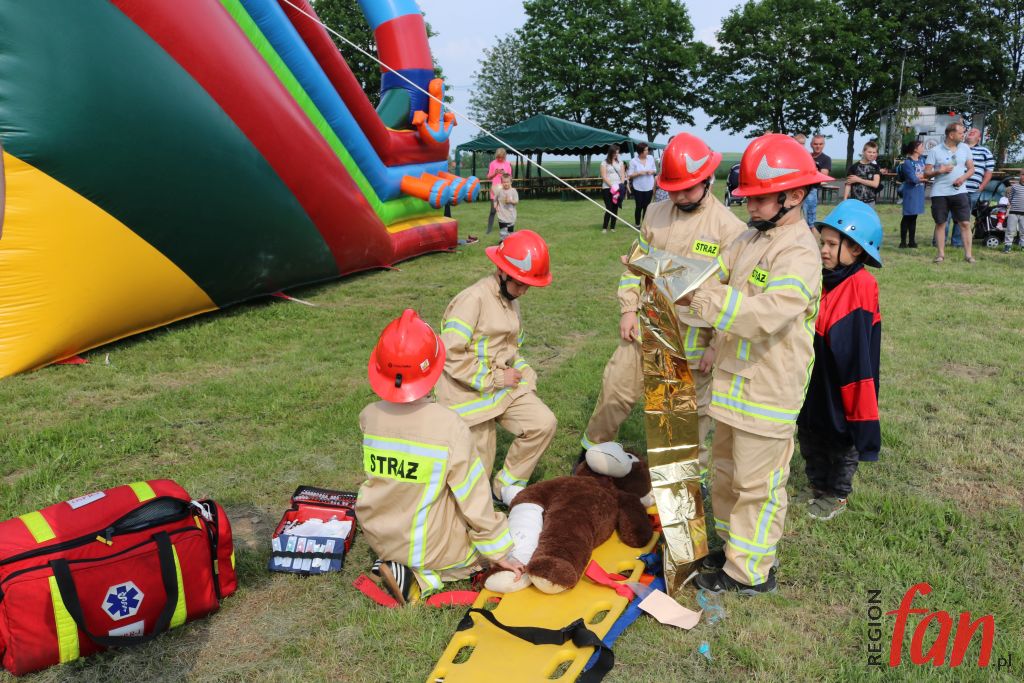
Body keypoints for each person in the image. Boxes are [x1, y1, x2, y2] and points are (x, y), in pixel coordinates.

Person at [682, 133, 831, 595]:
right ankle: (732, 550)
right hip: (731, 385)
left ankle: (752, 572)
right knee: (725, 474)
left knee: (757, 485)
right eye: (747, 197)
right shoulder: (750, 238)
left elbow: (764, 314)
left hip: (767, 391)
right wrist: (665, 270)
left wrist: (707, 298)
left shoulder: (800, 253)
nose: (750, 206)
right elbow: (712, 274)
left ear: (795, 195)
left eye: (760, 197)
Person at [580, 133, 747, 478]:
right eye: (673, 189)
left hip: (693, 344)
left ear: (707, 180)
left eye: (687, 189)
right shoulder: (654, 214)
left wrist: (718, 345)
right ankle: (590, 456)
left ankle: (687, 483)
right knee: (614, 392)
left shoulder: (731, 229)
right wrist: (628, 307)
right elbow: (635, 266)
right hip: (646, 327)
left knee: (685, 420)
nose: (679, 196)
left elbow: (733, 297)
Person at [356, 309, 524, 604]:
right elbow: (474, 499)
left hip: (379, 535)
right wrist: (499, 553)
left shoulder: (370, 416)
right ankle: (420, 578)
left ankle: (392, 563)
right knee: (474, 557)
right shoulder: (449, 426)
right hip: (425, 546)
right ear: (434, 369)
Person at [436, 230, 557, 505]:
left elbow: (510, 351)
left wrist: (524, 371)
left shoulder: (510, 301)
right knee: (476, 473)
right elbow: (450, 354)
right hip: (466, 394)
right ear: (502, 272)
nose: (524, 291)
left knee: (543, 423)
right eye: (521, 284)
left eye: (529, 285)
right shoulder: (472, 300)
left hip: (499, 385)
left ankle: (505, 487)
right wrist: (497, 378)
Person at [797, 200, 882, 521]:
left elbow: (853, 350)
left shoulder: (861, 284)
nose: (824, 250)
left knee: (841, 436)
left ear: (856, 249)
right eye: (823, 243)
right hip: (816, 371)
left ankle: (837, 493)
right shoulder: (823, 277)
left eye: (832, 244)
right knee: (809, 428)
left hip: (844, 378)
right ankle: (817, 484)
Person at [924, 121, 975, 263]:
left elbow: (971, 169)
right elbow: (926, 173)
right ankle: (940, 254)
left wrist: (962, 178)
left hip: (960, 192)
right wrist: (938, 171)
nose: (963, 135)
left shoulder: (965, 148)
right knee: (941, 223)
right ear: (951, 135)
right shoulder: (935, 151)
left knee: (965, 223)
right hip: (940, 193)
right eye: (960, 133)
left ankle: (968, 255)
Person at [964, 127, 995, 248]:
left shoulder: (985, 151)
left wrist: (981, 187)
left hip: (973, 190)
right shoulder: (959, 148)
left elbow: (989, 171)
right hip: (954, 187)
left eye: (975, 132)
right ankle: (939, 241)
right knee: (948, 215)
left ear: (979, 138)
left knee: (964, 217)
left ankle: (957, 242)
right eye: (970, 131)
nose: (971, 132)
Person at [898, 140, 926, 248]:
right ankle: (903, 242)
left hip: (919, 191)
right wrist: (921, 177)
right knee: (907, 216)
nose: (923, 148)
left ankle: (912, 241)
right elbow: (913, 179)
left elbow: (927, 174)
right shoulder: (907, 163)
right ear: (915, 149)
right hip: (910, 192)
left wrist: (920, 176)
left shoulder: (922, 160)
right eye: (921, 146)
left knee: (914, 217)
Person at [804, 134, 833, 229]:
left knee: (810, 218)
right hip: (800, 187)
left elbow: (823, 177)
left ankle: (811, 237)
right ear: (811, 144)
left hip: (812, 190)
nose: (818, 146)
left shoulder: (826, 159)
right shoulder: (806, 156)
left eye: (820, 144)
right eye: (815, 144)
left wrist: (811, 171)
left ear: (824, 145)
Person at [629, 142, 658, 226]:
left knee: (647, 207)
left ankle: (645, 224)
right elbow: (630, 175)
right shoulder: (633, 161)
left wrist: (652, 171)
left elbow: (655, 169)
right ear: (641, 151)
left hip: (649, 186)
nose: (647, 151)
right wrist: (639, 173)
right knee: (639, 206)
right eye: (646, 150)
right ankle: (637, 224)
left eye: (647, 149)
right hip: (638, 187)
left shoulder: (651, 158)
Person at [600, 144, 627, 233]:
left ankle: (612, 227)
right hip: (607, 188)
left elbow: (623, 175)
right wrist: (612, 186)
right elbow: (604, 176)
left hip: (618, 188)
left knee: (615, 207)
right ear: (610, 153)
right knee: (609, 208)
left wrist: (621, 185)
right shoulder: (604, 163)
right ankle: (604, 227)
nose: (616, 155)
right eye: (615, 153)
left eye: (617, 153)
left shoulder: (621, 162)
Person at [486, 148, 513, 234]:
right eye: (498, 157)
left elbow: (510, 178)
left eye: (501, 157)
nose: (500, 159)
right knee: (493, 210)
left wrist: (504, 173)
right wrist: (495, 173)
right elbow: (488, 177)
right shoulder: (492, 164)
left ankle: (506, 228)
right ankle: (489, 229)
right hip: (495, 189)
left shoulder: (508, 164)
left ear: (504, 156)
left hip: (505, 190)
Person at [493, 173, 519, 241]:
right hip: (501, 215)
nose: (506, 184)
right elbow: (495, 199)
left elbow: (516, 201)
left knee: (510, 232)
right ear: (501, 182)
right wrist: (495, 205)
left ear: (511, 182)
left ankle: (510, 244)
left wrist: (510, 201)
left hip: (511, 215)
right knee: (503, 232)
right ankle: (502, 243)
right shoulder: (499, 191)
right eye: (504, 182)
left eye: (507, 182)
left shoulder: (513, 191)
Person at [1004, 171, 1024, 253]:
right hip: (1013, 212)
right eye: (1023, 175)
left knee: (1023, 231)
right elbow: (1010, 198)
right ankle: (1008, 246)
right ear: (1020, 176)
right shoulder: (1014, 186)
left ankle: (1023, 246)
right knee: (1010, 230)